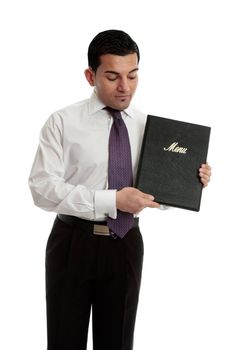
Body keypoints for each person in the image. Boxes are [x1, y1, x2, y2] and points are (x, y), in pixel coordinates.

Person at [28, 29, 212, 350]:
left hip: (126, 244)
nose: (125, 87)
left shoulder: (146, 126)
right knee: (64, 339)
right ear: (90, 75)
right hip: (72, 244)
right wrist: (112, 200)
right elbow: (42, 189)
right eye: (112, 76)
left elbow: (155, 190)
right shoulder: (61, 122)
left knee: (118, 342)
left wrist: (190, 179)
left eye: (133, 75)